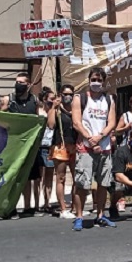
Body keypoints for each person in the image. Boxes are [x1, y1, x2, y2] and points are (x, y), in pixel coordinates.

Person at [71, 67, 118, 231]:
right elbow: (76, 122)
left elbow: (112, 122)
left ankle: (100, 215)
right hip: (85, 147)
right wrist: (90, 139)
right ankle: (79, 216)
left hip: (104, 147)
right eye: (93, 79)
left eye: (99, 80)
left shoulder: (109, 99)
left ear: (104, 82)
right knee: (82, 184)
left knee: (103, 184)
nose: (96, 83)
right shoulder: (80, 98)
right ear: (89, 80)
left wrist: (100, 136)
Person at [5, 74, 42, 219]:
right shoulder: (9, 100)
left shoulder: (35, 100)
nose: (18, 84)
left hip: (30, 145)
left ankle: (28, 207)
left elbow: (39, 120)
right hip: (14, 145)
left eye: (21, 82)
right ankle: (11, 207)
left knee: (28, 177)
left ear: (28, 84)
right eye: (16, 82)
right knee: (14, 177)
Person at [54, 85, 78, 219]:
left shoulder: (76, 109)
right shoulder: (57, 109)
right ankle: (63, 209)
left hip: (74, 145)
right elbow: (51, 125)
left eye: (70, 94)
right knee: (61, 177)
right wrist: (53, 107)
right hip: (60, 145)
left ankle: (75, 207)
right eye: (65, 94)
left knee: (77, 177)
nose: (67, 96)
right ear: (60, 95)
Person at [32, 87, 58, 216]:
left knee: (49, 176)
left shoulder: (54, 110)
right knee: (38, 177)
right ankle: (36, 204)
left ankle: (47, 203)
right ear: (44, 99)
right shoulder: (38, 110)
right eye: (51, 99)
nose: (53, 101)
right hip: (39, 145)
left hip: (50, 145)